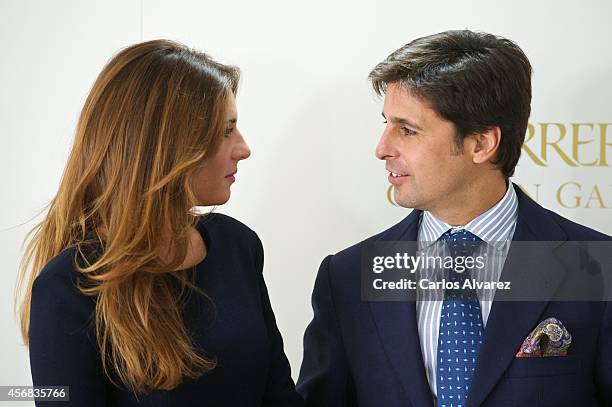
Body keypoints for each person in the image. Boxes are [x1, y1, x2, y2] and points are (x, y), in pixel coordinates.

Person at [297, 30, 612, 406]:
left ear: (481, 143)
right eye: (386, 123)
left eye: (407, 130)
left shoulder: (596, 267)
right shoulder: (349, 277)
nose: (382, 148)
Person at [17, 39, 303, 406]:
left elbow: (279, 396)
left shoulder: (237, 245)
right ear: (167, 147)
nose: (243, 148)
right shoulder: (67, 287)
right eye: (225, 131)